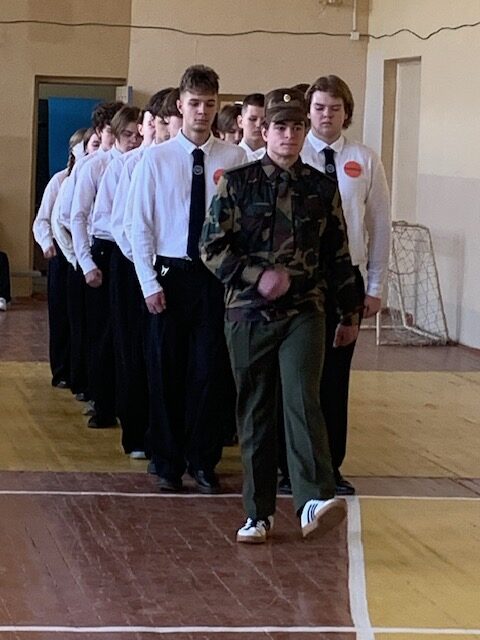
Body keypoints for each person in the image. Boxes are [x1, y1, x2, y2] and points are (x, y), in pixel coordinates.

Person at [201, 88, 362, 543]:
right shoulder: (238, 183)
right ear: (265, 131)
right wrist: (257, 276)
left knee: (302, 397)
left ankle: (312, 499)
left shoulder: (321, 187)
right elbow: (210, 248)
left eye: (296, 127)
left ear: (304, 131)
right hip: (248, 313)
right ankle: (258, 513)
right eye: (280, 127)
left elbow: (338, 254)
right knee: (256, 408)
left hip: (304, 310)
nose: (288, 135)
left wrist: (349, 313)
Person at [130, 64, 246, 493]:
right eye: (194, 103)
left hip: (214, 277)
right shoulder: (156, 158)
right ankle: (167, 461)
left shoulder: (234, 159)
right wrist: (149, 282)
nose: (201, 111)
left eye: (209, 104)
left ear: (217, 107)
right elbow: (139, 225)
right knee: (166, 370)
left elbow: (242, 225)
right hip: (169, 273)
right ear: (180, 105)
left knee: (210, 371)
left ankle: (203, 459)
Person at [301, 75, 391, 495]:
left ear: (347, 113)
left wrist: (375, 286)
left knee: (335, 379)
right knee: (298, 376)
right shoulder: (293, 152)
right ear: (308, 111)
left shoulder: (364, 159)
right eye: (319, 107)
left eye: (335, 109)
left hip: (346, 278)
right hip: (302, 276)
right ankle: (292, 466)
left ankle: (331, 467)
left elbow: (380, 225)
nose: (326, 115)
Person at [70, 103, 135, 429]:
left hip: (132, 251)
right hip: (105, 249)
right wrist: (85, 262)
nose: (134, 141)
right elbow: (77, 216)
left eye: (138, 135)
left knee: (126, 332)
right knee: (102, 332)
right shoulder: (95, 166)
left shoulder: (142, 162)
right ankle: (103, 402)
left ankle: (127, 403)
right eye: (127, 135)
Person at [32, 128, 86, 387]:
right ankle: (62, 370)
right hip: (61, 255)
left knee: (80, 317)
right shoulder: (60, 180)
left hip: (83, 253)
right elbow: (42, 219)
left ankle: (79, 372)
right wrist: (46, 243)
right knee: (61, 314)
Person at [237, 93, 266, 161]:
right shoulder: (230, 157)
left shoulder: (278, 157)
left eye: (264, 121)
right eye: (252, 119)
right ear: (240, 121)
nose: (258, 125)